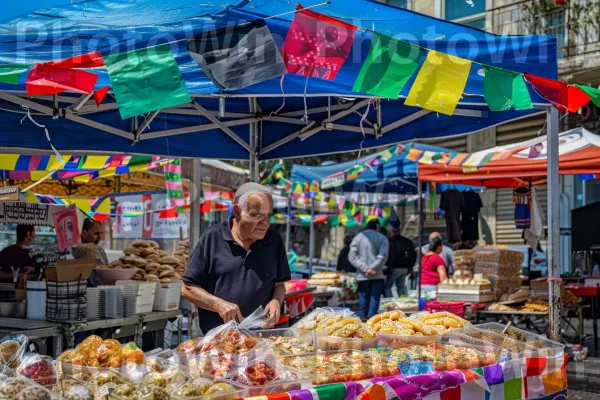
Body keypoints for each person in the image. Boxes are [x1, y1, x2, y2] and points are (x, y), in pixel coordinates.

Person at [182, 182, 291, 333]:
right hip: (218, 340)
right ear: (237, 211)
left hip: (261, 337)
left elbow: (279, 284)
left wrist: (276, 301)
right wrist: (218, 305)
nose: (265, 223)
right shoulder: (212, 237)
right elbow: (188, 288)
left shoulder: (274, 240)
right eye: (257, 216)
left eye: (268, 215)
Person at [348, 219, 388, 319]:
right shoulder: (382, 238)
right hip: (377, 274)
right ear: (378, 227)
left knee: (363, 297)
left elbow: (352, 257)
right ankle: (371, 321)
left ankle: (362, 321)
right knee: (375, 298)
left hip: (362, 275)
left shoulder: (358, 237)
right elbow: (383, 256)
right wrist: (373, 268)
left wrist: (365, 269)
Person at [384, 227, 416, 298]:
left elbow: (390, 255)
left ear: (392, 231)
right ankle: (403, 303)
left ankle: (389, 302)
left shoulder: (391, 241)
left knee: (387, 286)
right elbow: (413, 255)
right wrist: (410, 267)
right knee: (401, 286)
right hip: (406, 268)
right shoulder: (407, 241)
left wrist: (388, 266)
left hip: (395, 267)